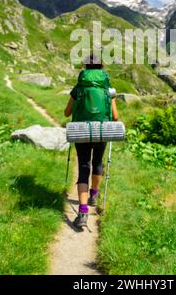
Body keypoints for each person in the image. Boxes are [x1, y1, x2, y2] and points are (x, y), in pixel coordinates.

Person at [64, 54, 118, 229]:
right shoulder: (108, 89)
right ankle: (94, 194)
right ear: (102, 67)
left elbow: (66, 112)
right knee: (97, 163)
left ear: (85, 68)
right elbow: (115, 116)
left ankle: (82, 212)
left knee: (84, 167)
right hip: (101, 131)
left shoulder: (78, 88)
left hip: (82, 131)